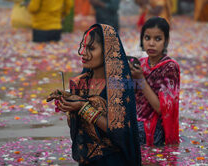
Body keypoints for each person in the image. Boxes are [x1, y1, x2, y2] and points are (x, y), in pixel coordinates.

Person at [47, 24, 141, 166]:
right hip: (87, 159)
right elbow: (77, 127)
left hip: (112, 160)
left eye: (91, 48)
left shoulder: (117, 84)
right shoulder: (82, 81)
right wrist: (68, 104)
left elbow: (118, 131)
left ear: (107, 52)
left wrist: (82, 107)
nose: (83, 52)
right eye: (83, 46)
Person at [129, 17, 180, 146]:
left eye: (158, 39)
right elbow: (130, 92)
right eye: (147, 38)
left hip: (153, 127)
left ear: (166, 41)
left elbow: (161, 109)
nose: (151, 43)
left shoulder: (170, 67)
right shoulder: (140, 64)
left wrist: (140, 79)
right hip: (136, 120)